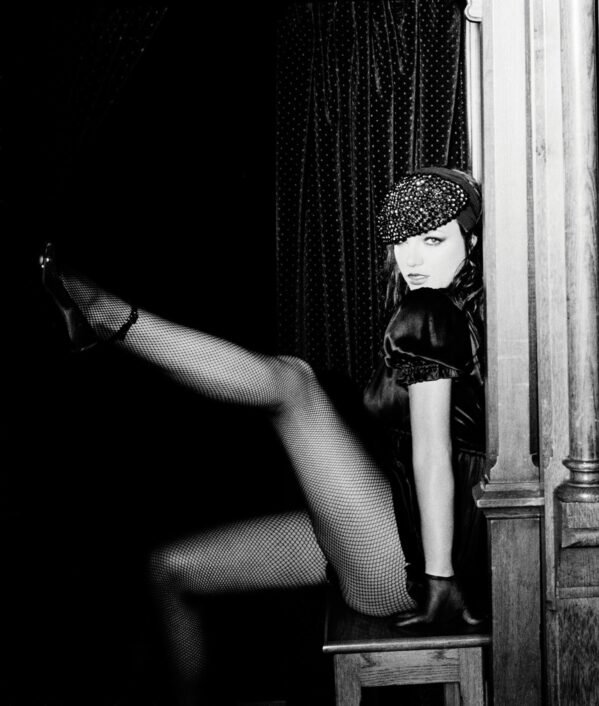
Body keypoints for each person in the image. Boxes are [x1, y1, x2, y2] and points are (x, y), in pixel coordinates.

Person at [39, 166, 489, 704]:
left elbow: (435, 452)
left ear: (472, 242)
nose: (411, 258)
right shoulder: (461, 311)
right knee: (170, 569)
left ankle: (101, 312)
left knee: (294, 384)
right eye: (401, 240)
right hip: (393, 532)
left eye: (433, 240)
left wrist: (440, 580)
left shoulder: (429, 312)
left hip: (409, 561)